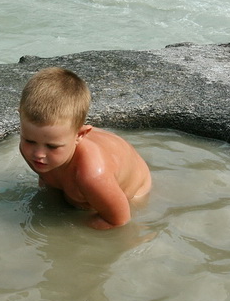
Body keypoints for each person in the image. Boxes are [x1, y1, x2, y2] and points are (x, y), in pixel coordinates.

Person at [19, 67, 151, 230]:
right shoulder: (35, 151)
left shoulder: (93, 175)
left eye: (52, 146)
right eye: (29, 141)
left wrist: (70, 232)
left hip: (132, 191)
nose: (38, 154)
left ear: (80, 135)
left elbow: (119, 220)